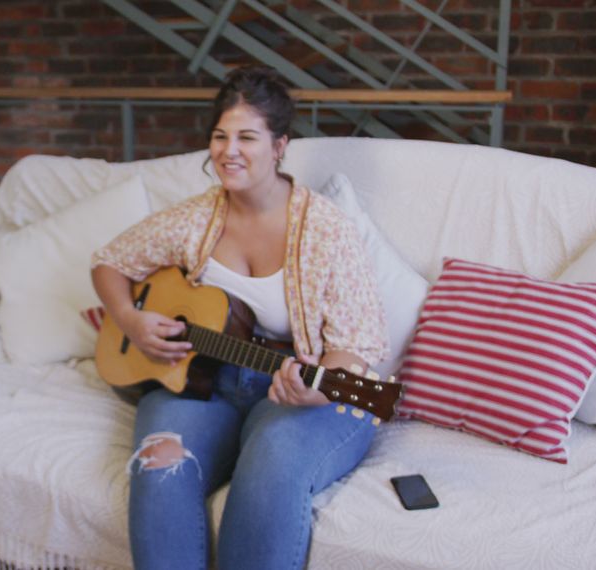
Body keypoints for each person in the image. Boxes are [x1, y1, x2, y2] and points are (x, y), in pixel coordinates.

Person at [90, 66, 387, 569]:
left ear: (279, 146)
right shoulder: (196, 217)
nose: (229, 150)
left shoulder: (325, 230)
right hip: (203, 379)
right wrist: (130, 318)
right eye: (220, 136)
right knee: (158, 465)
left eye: (247, 137)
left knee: (270, 468)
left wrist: (317, 387)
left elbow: (356, 345)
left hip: (299, 387)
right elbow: (109, 262)